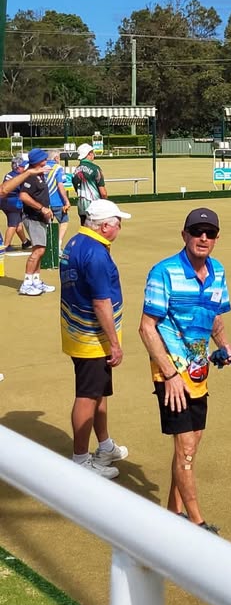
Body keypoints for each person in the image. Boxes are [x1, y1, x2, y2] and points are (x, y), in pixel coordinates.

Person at [139, 207, 231, 533]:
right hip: (171, 376)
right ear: (185, 235)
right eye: (196, 232)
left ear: (217, 238)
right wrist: (169, 375)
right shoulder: (163, 272)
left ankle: (172, 512)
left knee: (191, 446)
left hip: (198, 373)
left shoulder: (218, 271)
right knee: (187, 449)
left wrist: (224, 346)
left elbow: (215, 317)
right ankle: (197, 523)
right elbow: (146, 328)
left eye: (209, 233)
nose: (203, 238)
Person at [60, 199, 131, 478]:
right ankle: (80, 460)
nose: (119, 227)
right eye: (117, 223)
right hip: (91, 337)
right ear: (104, 227)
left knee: (99, 392)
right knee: (88, 395)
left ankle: (104, 445)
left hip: (80, 333)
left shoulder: (76, 242)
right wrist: (115, 343)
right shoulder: (97, 254)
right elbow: (102, 302)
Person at [18, 148, 57, 296]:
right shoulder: (30, 176)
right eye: (44, 159)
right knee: (38, 250)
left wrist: (47, 210)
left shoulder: (39, 174)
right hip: (32, 218)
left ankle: (36, 281)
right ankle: (27, 283)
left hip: (40, 217)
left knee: (40, 250)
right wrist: (42, 209)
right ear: (37, 161)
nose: (46, 161)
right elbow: (23, 196)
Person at [72, 143, 107, 225]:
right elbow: (103, 193)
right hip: (95, 206)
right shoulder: (96, 169)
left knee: (84, 231)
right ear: (89, 154)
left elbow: (76, 187)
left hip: (81, 206)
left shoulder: (76, 170)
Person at [1, 157, 32, 251]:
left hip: (4, 202)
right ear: (18, 167)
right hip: (13, 203)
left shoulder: (8, 175)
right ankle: (6, 246)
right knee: (13, 225)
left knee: (18, 223)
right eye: (23, 166)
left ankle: (25, 242)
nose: (25, 168)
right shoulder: (19, 177)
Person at [45, 149, 71, 249]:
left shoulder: (42, 167)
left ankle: (48, 245)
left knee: (48, 224)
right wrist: (66, 200)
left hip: (44, 202)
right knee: (64, 221)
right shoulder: (58, 168)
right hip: (57, 201)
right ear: (56, 158)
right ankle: (58, 243)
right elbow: (60, 185)